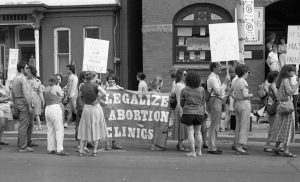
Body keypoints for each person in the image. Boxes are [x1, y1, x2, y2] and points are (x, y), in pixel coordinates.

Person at [269, 65, 299, 158]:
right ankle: (286, 150)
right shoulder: (286, 80)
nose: (294, 73)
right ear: (287, 72)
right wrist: (298, 84)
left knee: (281, 127)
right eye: (293, 71)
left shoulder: (281, 80)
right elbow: (290, 92)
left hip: (281, 106)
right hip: (287, 106)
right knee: (288, 128)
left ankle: (276, 147)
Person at [78, 72, 107, 157]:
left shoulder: (82, 86)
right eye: (96, 77)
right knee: (96, 127)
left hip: (86, 107)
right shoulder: (96, 86)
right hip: (95, 107)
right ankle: (94, 151)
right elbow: (104, 93)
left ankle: (81, 150)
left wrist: (82, 105)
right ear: (93, 78)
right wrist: (97, 99)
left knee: (84, 128)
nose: (97, 79)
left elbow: (79, 96)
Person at [11, 61, 36, 152]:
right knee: (24, 125)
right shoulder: (23, 78)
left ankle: (21, 145)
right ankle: (22, 147)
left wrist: (14, 104)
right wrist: (29, 106)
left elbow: (12, 93)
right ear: (22, 69)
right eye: (26, 68)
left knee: (22, 125)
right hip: (23, 103)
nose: (28, 69)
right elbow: (26, 93)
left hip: (17, 102)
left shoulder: (15, 78)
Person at [180, 72, 205, 157]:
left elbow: (181, 103)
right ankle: (199, 151)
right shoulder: (201, 89)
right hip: (199, 112)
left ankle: (193, 152)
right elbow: (203, 101)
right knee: (198, 132)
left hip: (188, 112)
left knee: (190, 132)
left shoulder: (184, 90)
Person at [207, 62, 229, 155]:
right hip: (215, 100)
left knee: (216, 124)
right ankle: (211, 147)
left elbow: (220, 93)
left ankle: (213, 145)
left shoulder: (216, 77)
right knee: (214, 124)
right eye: (219, 66)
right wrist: (225, 82)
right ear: (214, 68)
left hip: (217, 100)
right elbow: (219, 91)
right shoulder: (212, 78)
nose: (221, 67)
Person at [231, 64, 253, 155]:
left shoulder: (235, 81)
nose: (248, 74)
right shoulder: (243, 82)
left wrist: (235, 97)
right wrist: (251, 95)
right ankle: (240, 146)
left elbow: (230, 91)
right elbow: (245, 95)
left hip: (237, 103)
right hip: (244, 103)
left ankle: (236, 144)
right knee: (244, 126)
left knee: (238, 126)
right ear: (244, 72)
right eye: (248, 72)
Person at [44, 76, 68, 156]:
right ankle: (60, 149)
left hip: (47, 108)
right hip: (55, 107)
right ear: (56, 82)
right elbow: (61, 96)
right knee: (59, 129)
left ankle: (51, 148)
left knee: (50, 129)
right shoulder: (56, 88)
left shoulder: (46, 88)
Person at [104, 73, 123, 150]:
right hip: (107, 110)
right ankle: (107, 144)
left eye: (112, 79)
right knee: (107, 127)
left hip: (115, 111)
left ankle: (114, 143)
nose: (111, 80)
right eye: (109, 79)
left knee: (115, 127)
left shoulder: (118, 88)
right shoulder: (105, 87)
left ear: (115, 80)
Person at [149, 77, 168, 151]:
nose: (163, 84)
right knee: (155, 129)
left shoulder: (157, 91)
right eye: (162, 82)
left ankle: (157, 144)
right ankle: (153, 145)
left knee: (158, 129)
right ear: (159, 84)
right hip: (155, 113)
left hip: (158, 113)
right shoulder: (154, 92)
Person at [172, 69, 188, 151]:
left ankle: (180, 144)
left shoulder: (184, 84)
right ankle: (180, 144)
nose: (186, 75)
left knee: (183, 126)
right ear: (180, 75)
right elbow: (179, 97)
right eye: (184, 74)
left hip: (185, 107)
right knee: (181, 126)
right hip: (180, 107)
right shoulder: (178, 85)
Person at [264, 71, 279, 152]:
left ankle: (270, 144)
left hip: (270, 107)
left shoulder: (271, 86)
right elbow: (278, 96)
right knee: (272, 127)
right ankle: (268, 145)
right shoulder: (273, 86)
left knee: (273, 126)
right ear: (275, 77)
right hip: (273, 108)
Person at [27, 66, 45, 130]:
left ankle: (39, 125)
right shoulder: (25, 80)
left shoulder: (38, 81)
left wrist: (43, 101)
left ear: (32, 72)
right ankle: (30, 125)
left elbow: (40, 92)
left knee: (36, 113)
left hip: (35, 97)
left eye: (29, 71)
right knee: (28, 112)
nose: (27, 72)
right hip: (28, 97)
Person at [220, 66, 237, 131]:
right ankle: (224, 127)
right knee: (226, 114)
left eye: (232, 72)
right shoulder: (228, 79)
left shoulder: (235, 80)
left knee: (231, 114)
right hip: (228, 99)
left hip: (232, 99)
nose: (231, 74)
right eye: (230, 72)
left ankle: (227, 127)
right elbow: (223, 89)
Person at [0, 82, 13, 149]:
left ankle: (1, 140)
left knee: (2, 125)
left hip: (6, 107)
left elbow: (8, 95)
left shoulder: (4, 87)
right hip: (0, 107)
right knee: (1, 124)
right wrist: (7, 99)